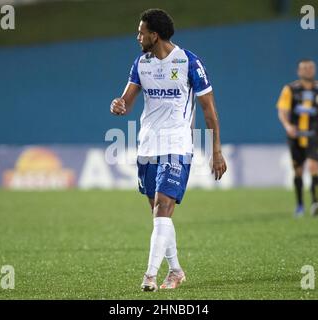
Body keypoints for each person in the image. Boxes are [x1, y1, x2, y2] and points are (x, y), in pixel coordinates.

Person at [110, 8, 227, 291]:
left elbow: (208, 109)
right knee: (157, 212)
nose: (137, 37)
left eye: (141, 32)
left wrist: (216, 150)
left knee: (164, 206)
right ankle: (175, 270)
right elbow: (127, 99)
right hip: (148, 144)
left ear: (155, 35)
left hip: (177, 143)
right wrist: (119, 105)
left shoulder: (189, 62)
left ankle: (149, 275)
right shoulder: (141, 63)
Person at [276, 59, 318, 217]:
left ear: (315, 70)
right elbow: (282, 110)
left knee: (314, 168)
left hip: (314, 134)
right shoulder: (290, 89)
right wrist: (288, 126)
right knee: (298, 171)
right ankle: (300, 205)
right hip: (296, 136)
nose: (308, 71)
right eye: (304, 68)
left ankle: (316, 203)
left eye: (310, 68)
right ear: (298, 71)